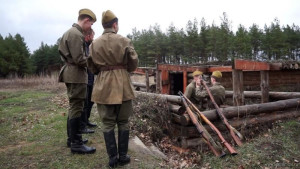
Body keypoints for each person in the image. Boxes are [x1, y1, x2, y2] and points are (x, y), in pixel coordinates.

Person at [88, 10, 138, 168]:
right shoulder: (124, 40)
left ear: (104, 25)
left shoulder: (94, 43)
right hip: (122, 84)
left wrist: (101, 72)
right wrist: (124, 71)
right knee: (123, 121)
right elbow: (133, 62)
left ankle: (112, 158)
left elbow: (91, 66)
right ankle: (123, 156)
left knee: (107, 123)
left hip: (103, 85)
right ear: (115, 24)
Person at [58, 8, 96, 154]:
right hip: (76, 75)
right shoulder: (76, 34)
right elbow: (80, 59)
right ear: (86, 20)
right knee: (77, 106)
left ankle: (72, 139)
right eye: (91, 24)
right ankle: (76, 143)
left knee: (75, 106)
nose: (90, 27)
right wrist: (94, 62)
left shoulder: (72, 32)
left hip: (74, 73)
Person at [79, 28, 97, 134]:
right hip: (85, 79)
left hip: (90, 78)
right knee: (84, 104)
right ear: (88, 36)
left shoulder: (89, 47)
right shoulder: (83, 46)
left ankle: (87, 121)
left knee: (90, 101)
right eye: (92, 36)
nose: (93, 38)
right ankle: (82, 125)